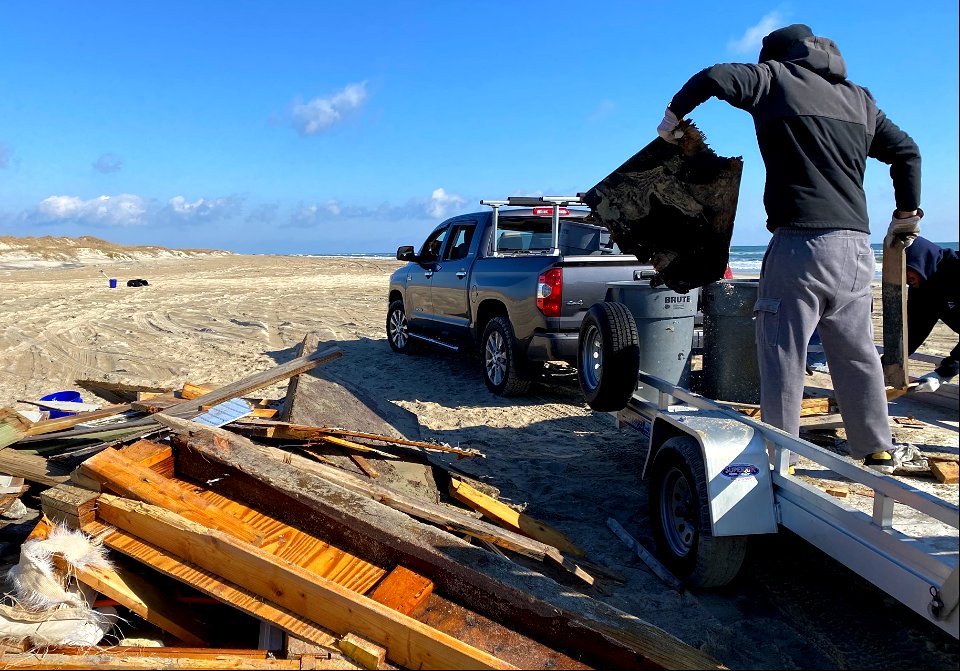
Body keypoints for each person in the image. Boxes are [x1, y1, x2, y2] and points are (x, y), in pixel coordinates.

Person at [657, 24, 922, 468]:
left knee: (783, 350)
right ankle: (876, 446)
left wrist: (673, 117)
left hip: (800, 244)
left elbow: (714, 77)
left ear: (775, 57)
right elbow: (907, 152)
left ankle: (782, 453)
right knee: (856, 353)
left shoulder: (775, 79)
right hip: (858, 249)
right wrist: (906, 213)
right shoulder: (861, 99)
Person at [904, 236, 959, 392]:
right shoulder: (921, 286)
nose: (905, 278)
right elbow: (915, 330)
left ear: (919, 260)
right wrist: (889, 362)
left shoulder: (956, 268)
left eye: (906, 270)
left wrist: (943, 374)